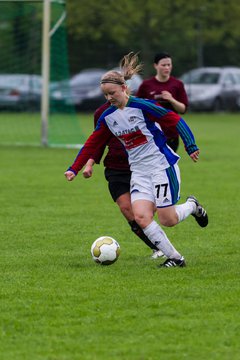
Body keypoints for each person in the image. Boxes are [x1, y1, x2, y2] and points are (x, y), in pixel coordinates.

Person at [65, 52, 208, 268]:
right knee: (141, 217)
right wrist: (74, 168)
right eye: (105, 95)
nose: (109, 98)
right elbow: (92, 143)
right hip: (139, 172)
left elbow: (174, 119)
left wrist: (190, 145)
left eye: (112, 93)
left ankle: (192, 205)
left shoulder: (142, 106)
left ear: (123, 88)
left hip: (161, 166)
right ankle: (176, 259)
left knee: (168, 220)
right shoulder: (107, 117)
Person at [83, 101, 164, 259]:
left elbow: (161, 127)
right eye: (107, 92)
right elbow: (98, 142)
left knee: (156, 211)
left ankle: (190, 207)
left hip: (143, 167)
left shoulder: (139, 106)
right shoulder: (101, 113)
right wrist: (89, 163)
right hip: (116, 169)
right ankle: (157, 248)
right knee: (128, 210)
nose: (110, 95)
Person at [136, 52, 188, 152]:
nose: (167, 68)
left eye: (169, 65)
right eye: (163, 65)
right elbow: (137, 107)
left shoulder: (177, 84)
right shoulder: (146, 85)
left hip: (171, 133)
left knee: (168, 164)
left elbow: (183, 109)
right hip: (150, 133)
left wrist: (171, 99)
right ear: (156, 66)